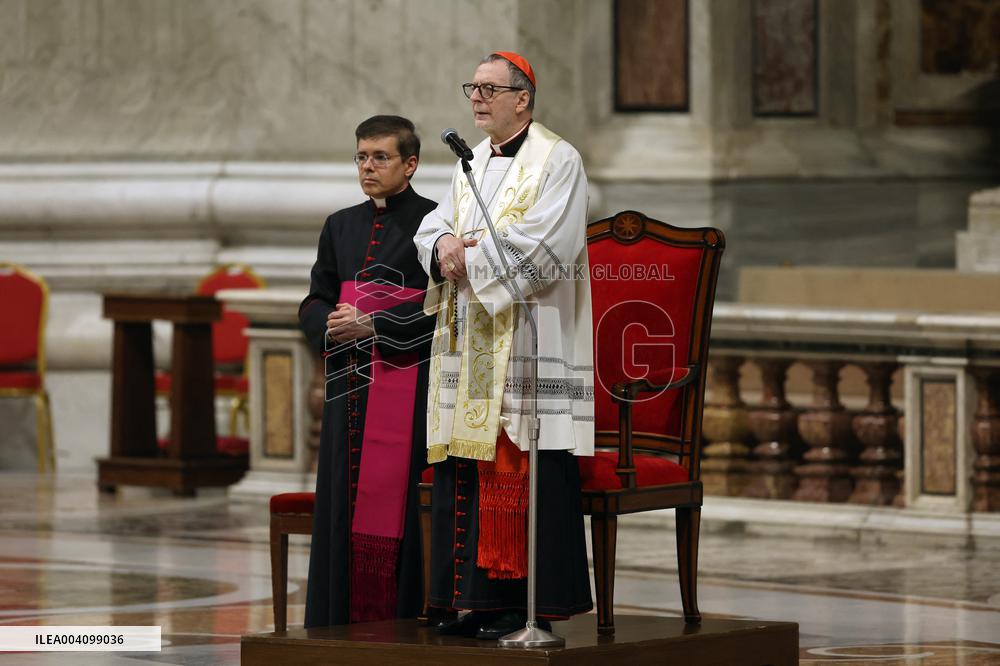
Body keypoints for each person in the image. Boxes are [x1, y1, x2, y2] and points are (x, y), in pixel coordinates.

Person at [414, 52, 594, 640]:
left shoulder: (558, 159)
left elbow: (548, 247)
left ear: (524, 97)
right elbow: (436, 224)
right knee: (469, 462)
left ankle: (524, 605)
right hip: (471, 338)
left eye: (491, 88)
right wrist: (443, 243)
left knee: (520, 458)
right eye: (472, 87)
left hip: (528, 337)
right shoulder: (471, 162)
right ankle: (474, 603)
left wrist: (470, 255)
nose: (477, 98)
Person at [300, 115, 437, 627]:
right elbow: (316, 295)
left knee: (399, 502)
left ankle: (401, 620)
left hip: (404, 381)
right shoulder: (340, 224)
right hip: (349, 386)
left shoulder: (435, 222)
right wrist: (329, 323)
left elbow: (440, 303)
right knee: (342, 500)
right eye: (361, 156)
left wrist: (375, 324)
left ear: (410, 164)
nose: (367, 167)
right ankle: (337, 621)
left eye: (380, 157)